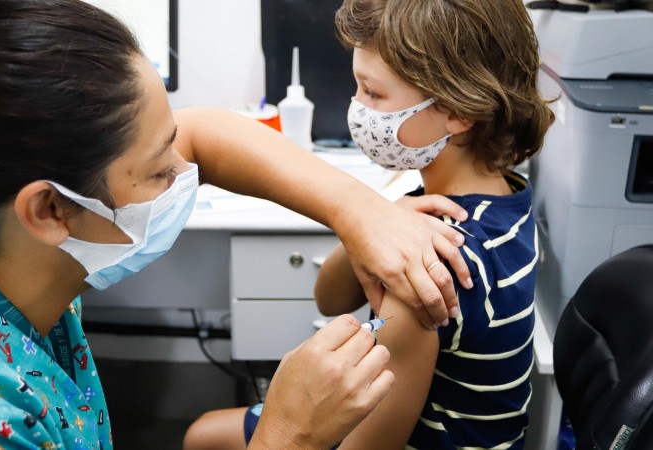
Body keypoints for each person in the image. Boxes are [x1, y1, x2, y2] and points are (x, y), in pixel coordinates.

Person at [0, 1, 475, 448]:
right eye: (157, 173)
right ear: (47, 210)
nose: (186, 176)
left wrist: (360, 213)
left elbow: (202, 134)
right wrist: (291, 434)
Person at [183, 0, 554, 448]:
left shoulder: (430, 267)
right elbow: (330, 297)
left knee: (203, 437)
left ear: (458, 111)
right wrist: (372, 221)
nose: (358, 108)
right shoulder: (503, 196)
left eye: (374, 94)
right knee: (205, 433)